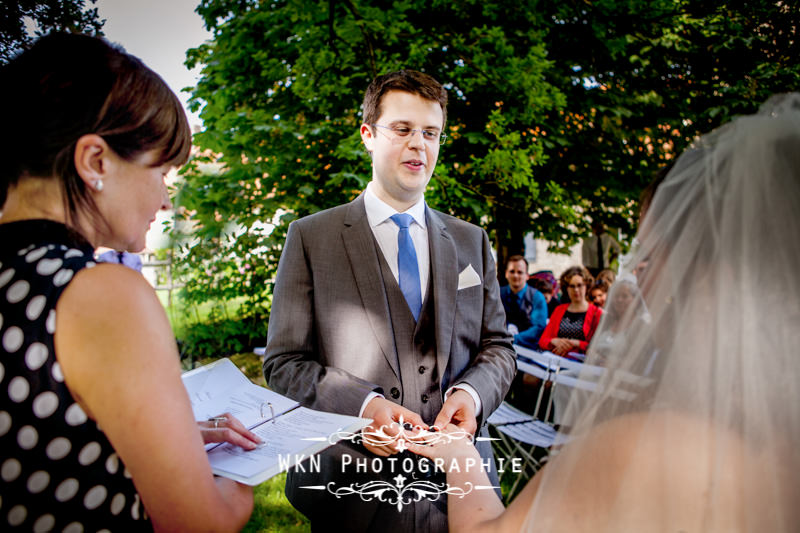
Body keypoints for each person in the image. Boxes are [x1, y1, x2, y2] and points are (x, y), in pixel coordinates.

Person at [406, 93, 800, 532]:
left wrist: (460, 454)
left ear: (706, 272)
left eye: (650, 254)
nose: (642, 278)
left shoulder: (646, 454)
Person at [0, 34, 258, 531]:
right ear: (96, 161)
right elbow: (200, 523)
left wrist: (166, 439)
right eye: (161, 170)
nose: (165, 200)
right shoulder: (101, 295)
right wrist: (240, 479)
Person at [262, 70, 516, 532]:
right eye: (402, 129)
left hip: (461, 494)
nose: (418, 145)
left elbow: (498, 348)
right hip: (352, 496)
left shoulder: (471, 241)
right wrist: (364, 407)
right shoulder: (310, 238)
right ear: (368, 135)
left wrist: (471, 395)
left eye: (430, 133)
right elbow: (283, 363)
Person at [538, 266, 602, 358]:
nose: (576, 290)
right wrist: (553, 341)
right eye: (572, 286)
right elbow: (543, 340)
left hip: (581, 362)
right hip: (555, 359)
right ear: (566, 288)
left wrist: (576, 343)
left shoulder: (596, 313)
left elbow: (597, 347)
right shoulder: (559, 310)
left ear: (586, 286)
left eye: (579, 285)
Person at [500, 255, 548, 348]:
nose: (515, 275)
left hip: (528, 349)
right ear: (506, 274)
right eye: (512, 271)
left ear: (527, 276)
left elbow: (538, 328)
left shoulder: (537, 297)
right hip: (501, 347)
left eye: (520, 272)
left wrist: (514, 338)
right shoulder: (497, 294)